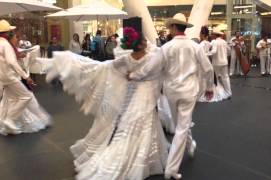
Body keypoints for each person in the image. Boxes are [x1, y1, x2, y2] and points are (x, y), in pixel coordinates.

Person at [44, 27, 168, 179]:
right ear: (142, 43)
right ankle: (144, 159)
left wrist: (82, 64)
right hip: (145, 94)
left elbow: (106, 67)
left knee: (136, 124)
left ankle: (141, 156)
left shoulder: (127, 59)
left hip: (134, 95)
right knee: (145, 124)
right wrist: (135, 76)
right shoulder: (151, 57)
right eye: (144, 41)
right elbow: (153, 70)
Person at [129, 13, 214, 179]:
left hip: (172, 92)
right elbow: (208, 69)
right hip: (189, 92)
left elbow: (152, 68)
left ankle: (171, 169)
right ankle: (190, 145)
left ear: (175, 27)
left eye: (170, 27)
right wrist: (209, 87)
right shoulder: (195, 46)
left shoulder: (165, 48)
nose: (169, 29)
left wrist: (134, 75)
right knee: (181, 126)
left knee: (180, 126)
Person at [0, 19, 51, 135]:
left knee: (12, 100)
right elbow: (12, 62)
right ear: (7, 33)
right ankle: (10, 119)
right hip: (10, 77)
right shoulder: (5, 44)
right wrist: (26, 77)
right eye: (11, 32)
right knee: (26, 97)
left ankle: (8, 122)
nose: (13, 36)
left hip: (3, 78)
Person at [210, 28, 232, 100]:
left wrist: (205, 54)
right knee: (225, 77)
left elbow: (214, 51)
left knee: (215, 78)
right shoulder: (224, 42)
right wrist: (225, 56)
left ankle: (217, 93)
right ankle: (229, 93)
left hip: (216, 63)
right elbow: (229, 50)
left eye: (212, 34)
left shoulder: (215, 42)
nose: (211, 35)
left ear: (215, 35)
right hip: (224, 62)